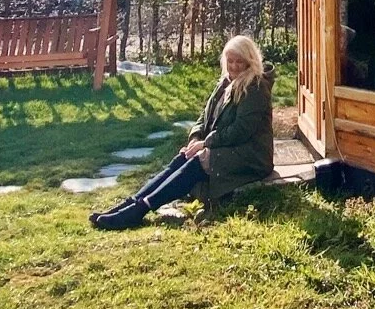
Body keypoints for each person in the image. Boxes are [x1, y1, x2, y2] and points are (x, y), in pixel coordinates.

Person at [90, 34, 274, 229]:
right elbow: (204, 118)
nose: (234, 66)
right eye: (230, 61)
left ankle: (140, 209)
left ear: (250, 61)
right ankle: (131, 204)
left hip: (252, 155)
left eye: (240, 62)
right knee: (183, 158)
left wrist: (205, 144)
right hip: (228, 146)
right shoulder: (225, 82)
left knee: (199, 160)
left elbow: (241, 131)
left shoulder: (255, 87)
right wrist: (195, 139)